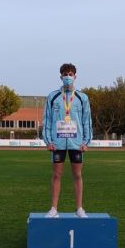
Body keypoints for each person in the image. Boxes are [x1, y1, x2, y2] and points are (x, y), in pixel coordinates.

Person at [42, 63, 92, 218]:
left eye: (70, 74)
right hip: (57, 143)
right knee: (57, 175)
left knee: (77, 175)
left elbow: (86, 121)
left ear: (75, 76)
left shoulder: (82, 97)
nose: (68, 77)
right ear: (61, 77)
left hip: (76, 143)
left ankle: (79, 209)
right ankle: (54, 209)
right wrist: (48, 141)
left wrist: (86, 141)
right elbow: (47, 120)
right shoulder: (53, 97)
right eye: (65, 74)